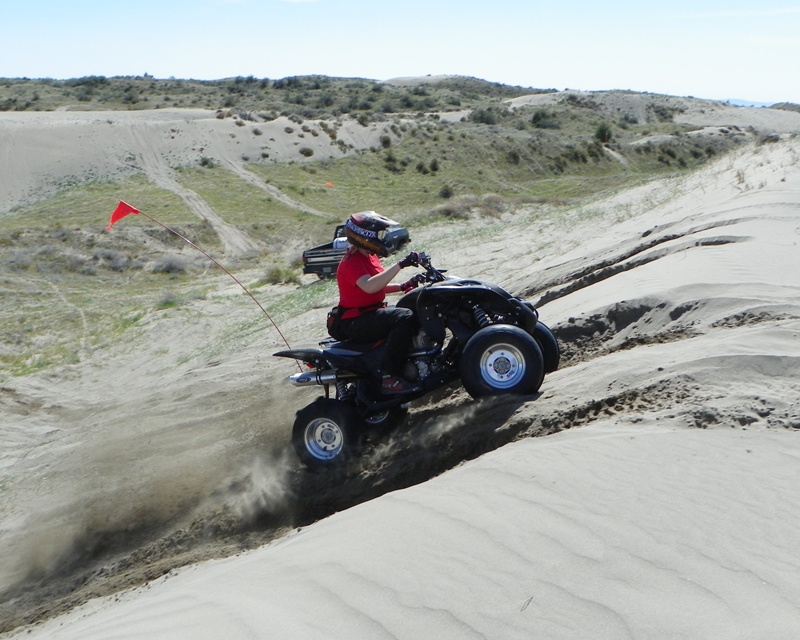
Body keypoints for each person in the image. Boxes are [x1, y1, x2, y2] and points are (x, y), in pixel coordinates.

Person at [336, 211, 424, 395]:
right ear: (365, 236)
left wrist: (404, 285)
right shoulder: (351, 262)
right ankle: (390, 377)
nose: (382, 238)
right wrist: (401, 264)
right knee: (404, 317)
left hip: (369, 313)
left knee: (412, 308)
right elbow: (369, 286)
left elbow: (378, 284)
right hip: (355, 321)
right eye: (379, 234)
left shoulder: (369, 256)